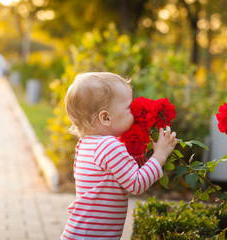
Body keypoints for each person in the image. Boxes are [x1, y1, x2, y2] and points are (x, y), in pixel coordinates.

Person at [61, 72, 177, 240]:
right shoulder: (109, 145)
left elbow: (111, 177)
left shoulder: (86, 144)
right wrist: (159, 156)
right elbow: (136, 184)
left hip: (80, 233)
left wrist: (137, 161)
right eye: (128, 108)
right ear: (106, 118)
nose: (133, 112)